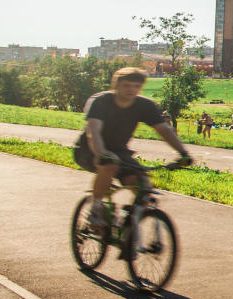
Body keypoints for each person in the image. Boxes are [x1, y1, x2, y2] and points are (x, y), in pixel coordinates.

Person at [73, 67, 192, 231]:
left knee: (142, 186)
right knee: (109, 166)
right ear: (116, 85)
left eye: (136, 86)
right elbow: (93, 133)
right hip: (88, 150)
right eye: (127, 85)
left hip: (119, 152)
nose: (131, 90)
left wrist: (183, 153)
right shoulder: (102, 102)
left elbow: (164, 130)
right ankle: (96, 208)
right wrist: (101, 153)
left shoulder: (144, 105)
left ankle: (128, 229)